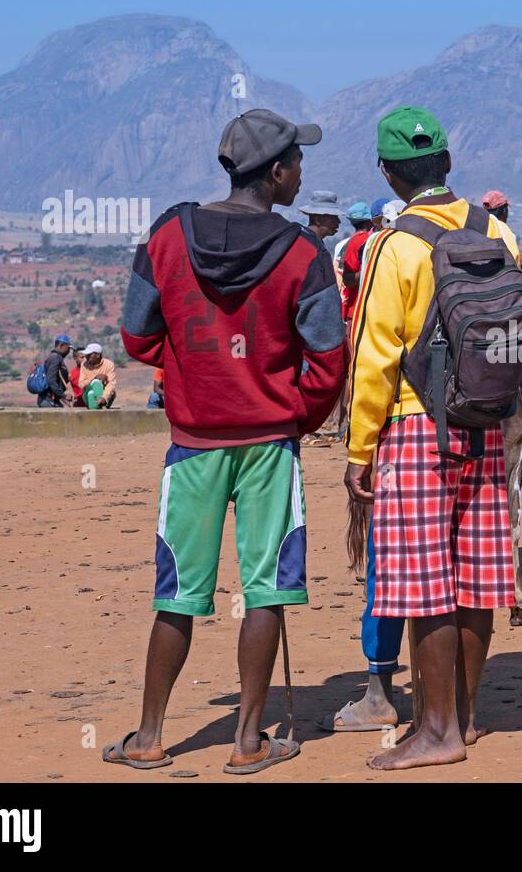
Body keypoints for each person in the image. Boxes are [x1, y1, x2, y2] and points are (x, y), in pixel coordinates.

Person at [108, 108, 346, 774]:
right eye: (297, 161)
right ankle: (247, 742)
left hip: (192, 442)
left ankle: (150, 736)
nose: (302, 171)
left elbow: (136, 335)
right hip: (271, 443)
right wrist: (293, 414)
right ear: (276, 173)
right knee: (266, 589)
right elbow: (329, 358)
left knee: (177, 592)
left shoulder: (166, 236)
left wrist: (190, 370)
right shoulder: (304, 253)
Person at [344, 105, 520, 770]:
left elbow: (374, 359)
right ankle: (467, 718)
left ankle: (435, 730)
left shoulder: (395, 246)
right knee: (476, 579)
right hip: (486, 423)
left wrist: (361, 453)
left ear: (389, 174)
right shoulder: (496, 228)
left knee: (424, 588)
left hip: (417, 429)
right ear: (447, 163)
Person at [339, 202, 374, 321]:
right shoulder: (362, 241)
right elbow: (348, 279)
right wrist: (370, 270)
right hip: (359, 311)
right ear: (368, 221)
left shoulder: (353, 242)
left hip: (358, 309)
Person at [299, 190, 347, 258]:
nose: (338, 221)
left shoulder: (316, 243)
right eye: (334, 217)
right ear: (318, 220)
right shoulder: (304, 245)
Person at [36, 334, 74, 407]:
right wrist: (63, 395)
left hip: (51, 399)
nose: (69, 351)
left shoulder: (56, 357)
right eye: (68, 348)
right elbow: (51, 380)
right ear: (62, 345)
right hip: (48, 399)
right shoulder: (55, 358)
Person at [78, 343, 118, 409]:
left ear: (98, 355)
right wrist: (94, 378)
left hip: (105, 397)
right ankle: (99, 405)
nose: (86, 356)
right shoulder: (84, 364)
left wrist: (104, 397)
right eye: (86, 354)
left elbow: (111, 384)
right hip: (88, 394)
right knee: (94, 386)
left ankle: (97, 404)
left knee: (96, 390)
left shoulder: (109, 365)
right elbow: (81, 384)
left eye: (89, 354)